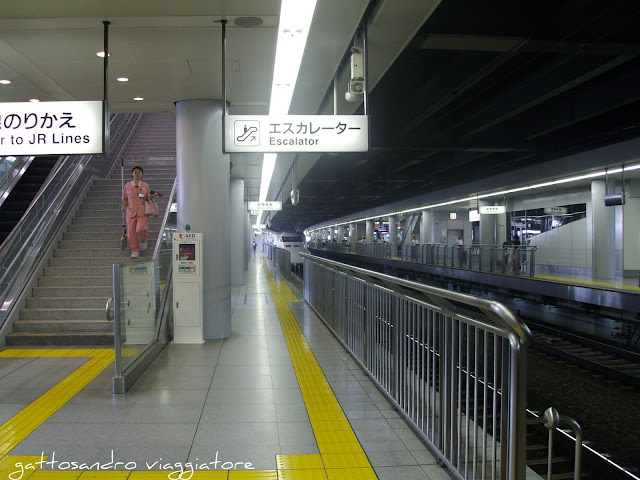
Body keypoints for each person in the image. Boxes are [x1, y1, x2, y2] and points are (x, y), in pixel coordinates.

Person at [121, 165, 155, 258]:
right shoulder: (127, 186)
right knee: (131, 233)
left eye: (139, 172)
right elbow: (125, 199)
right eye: (135, 172)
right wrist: (124, 206)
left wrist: (151, 197)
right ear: (132, 174)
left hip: (142, 212)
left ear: (142, 174)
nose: (137, 174)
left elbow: (148, 198)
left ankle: (144, 240)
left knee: (141, 229)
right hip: (130, 213)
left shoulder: (145, 185)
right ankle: (135, 250)